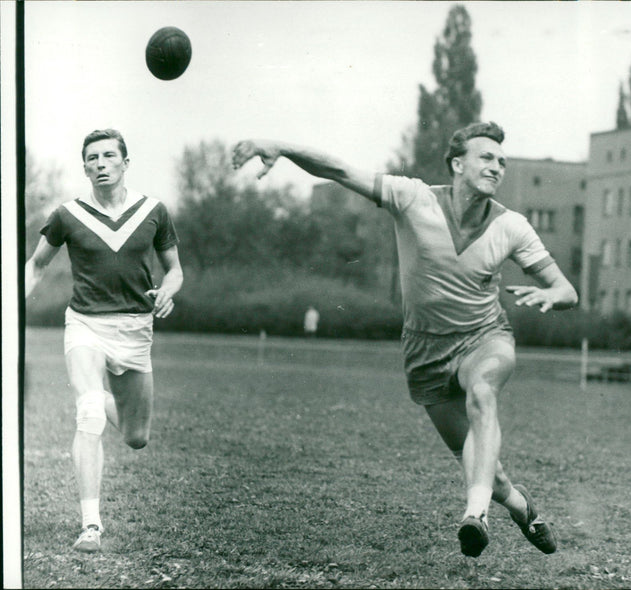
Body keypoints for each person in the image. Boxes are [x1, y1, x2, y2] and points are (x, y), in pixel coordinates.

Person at [232, 121, 578, 558]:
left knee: (483, 394)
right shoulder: (413, 197)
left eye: (502, 161)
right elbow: (339, 170)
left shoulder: (512, 226)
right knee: (491, 474)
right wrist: (278, 144)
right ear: (457, 163)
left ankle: (475, 517)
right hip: (424, 351)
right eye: (486, 157)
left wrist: (551, 293)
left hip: (485, 337)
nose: (497, 167)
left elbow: (568, 291)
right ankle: (520, 506)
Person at [25, 129, 183, 553]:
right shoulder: (68, 214)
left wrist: (169, 290)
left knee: (135, 435)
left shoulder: (153, 211)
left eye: (109, 155)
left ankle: (112, 406)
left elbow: (175, 270)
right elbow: (36, 264)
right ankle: (91, 525)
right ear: (85, 167)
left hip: (135, 331)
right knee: (89, 413)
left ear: (125, 163)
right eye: (91, 157)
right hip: (86, 325)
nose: (100, 163)